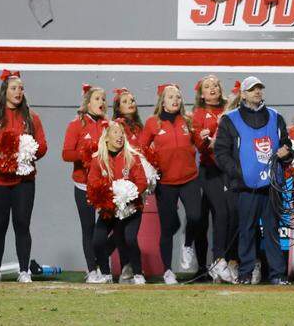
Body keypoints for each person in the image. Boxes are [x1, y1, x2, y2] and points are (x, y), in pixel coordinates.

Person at [213, 76, 292, 285]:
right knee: (246, 230)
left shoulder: (276, 117)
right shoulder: (230, 119)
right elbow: (220, 153)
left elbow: (287, 145)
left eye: (259, 88)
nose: (257, 92)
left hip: (271, 185)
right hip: (245, 187)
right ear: (244, 94)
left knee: (273, 230)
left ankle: (277, 274)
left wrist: (286, 153)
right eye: (252, 89)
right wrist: (239, 172)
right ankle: (246, 272)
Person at [0, 70, 48, 283]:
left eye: (21, 88)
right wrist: (1, 153)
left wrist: (27, 153)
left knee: (22, 224)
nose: (18, 92)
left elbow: (42, 146)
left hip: (24, 181)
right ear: (5, 91)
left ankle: (25, 271)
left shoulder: (32, 118)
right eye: (14, 88)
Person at [139, 83, 202, 285]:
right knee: (167, 227)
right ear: (163, 101)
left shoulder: (188, 120)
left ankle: (187, 243)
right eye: (171, 97)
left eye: (178, 96)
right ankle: (167, 270)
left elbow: (200, 145)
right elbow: (140, 148)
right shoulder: (152, 123)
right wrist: (150, 170)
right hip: (165, 182)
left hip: (190, 178)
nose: (175, 100)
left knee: (195, 216)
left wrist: (205, 139)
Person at [86, 120, 153, 286]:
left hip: (131, 208)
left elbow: (142, 182)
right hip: (109, 208)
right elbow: (92, 185)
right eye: (115, 132)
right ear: (106, 137)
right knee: (98, 240)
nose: (120, 135)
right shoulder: (98, 160)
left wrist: (127, 195)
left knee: (130, 238)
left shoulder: (132, 157)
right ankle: (106, 274)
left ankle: (137, 273)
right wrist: (107, 199)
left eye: (122, 132)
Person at [62, 85, 109, 283]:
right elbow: (66, 154)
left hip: (106, 185)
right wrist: (85, 154)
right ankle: (92, 270)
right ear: (88, 102)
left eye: (104, 99)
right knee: (88, 227)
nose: (102, 102)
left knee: (106, 228)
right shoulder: (76, 125)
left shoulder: (109, 125)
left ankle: (105, 268)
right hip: (83, 185)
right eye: (98, 98)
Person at [191, 76, 233, 284]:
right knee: (208, 216)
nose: (212, 89)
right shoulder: (197, 114)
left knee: (228, 214)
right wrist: (206, 137)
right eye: (207, 87)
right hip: (209, 170)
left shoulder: (230, 108)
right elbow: (199, 146)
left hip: (229, 170)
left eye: (215, 85)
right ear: (201, 94)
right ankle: (211, 263)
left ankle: (225, 260)